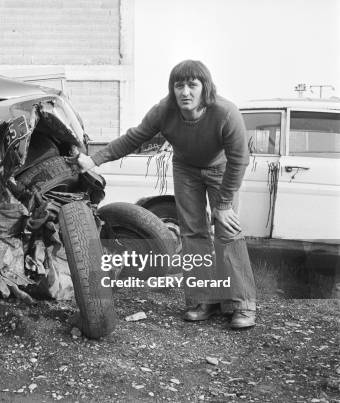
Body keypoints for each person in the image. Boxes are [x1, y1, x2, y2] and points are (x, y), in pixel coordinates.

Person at [78, 60, 256, 329]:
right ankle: (203, 300)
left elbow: (239, 159)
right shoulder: (164, 111)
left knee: (226, 229)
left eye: (192, 85)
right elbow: (134, 137)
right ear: (172, 89)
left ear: (204, 88)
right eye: (179, 85)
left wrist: (225, 204)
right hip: (186, 169)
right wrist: (95, 160)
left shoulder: (226, 113)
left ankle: (242, 304)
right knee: (193, 232)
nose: (185, 91)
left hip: (221, 169)